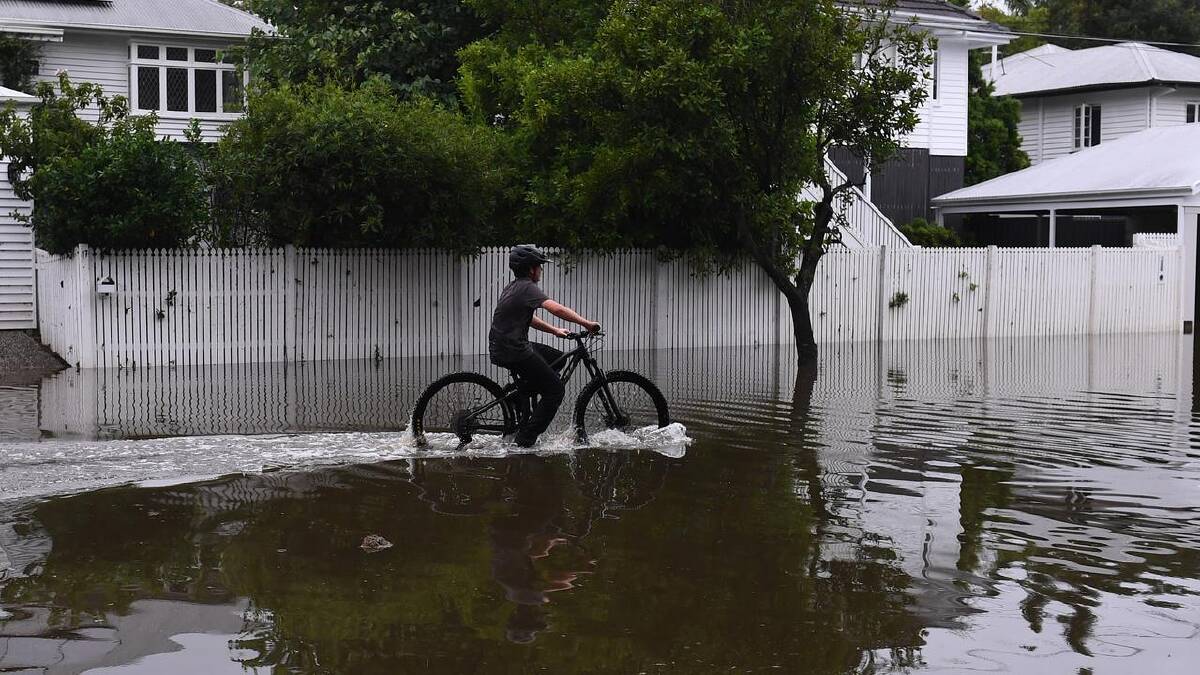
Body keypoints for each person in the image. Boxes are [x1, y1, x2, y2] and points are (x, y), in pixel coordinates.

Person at [489, 245, 600, 447]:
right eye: (539, 266)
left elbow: (528, 318)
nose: (541, 270)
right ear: (531, 268)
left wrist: (555, 331)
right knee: (555, 390)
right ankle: (525, 440)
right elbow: (556, 308)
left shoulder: (514, 287)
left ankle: (517, 394)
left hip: (506, 346)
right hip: (513, 349)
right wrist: (587, 324)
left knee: (558, 358)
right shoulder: (527, 287)